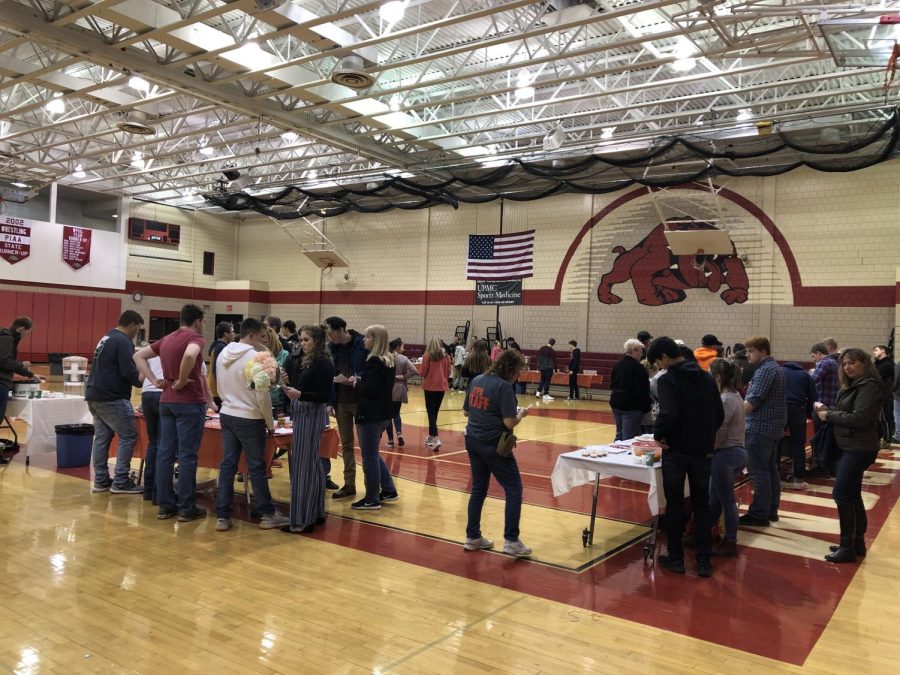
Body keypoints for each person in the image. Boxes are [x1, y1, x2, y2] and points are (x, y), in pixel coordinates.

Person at [648, 337, 723, 577]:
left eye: (657, 363)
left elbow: (668, 413)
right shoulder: (706, 377)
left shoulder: (669, 379)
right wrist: (705, 435)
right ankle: (703, 562)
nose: (659, 367)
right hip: (703, 451)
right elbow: (719, 414)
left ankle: (676, 558)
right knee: (701, 505)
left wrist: (659, 435)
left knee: (675, 505)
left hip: (677, 451)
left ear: (663, 358)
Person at [134, 304, 214, 522]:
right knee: (187, 456)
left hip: (166, 401)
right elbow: (190, 356)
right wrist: (180, 380)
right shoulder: (195, 339)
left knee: (165, 453)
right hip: (189, 402)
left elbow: (139, 356)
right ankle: (186, 507)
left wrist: (153, 380)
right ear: (198, 321)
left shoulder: (167, 339)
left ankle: (165, 505)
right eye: (204, 321)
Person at [213, 318, 290, 532]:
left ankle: (222, 516)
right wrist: (269, 423)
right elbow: (262, 396)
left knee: (228, 465)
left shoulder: (223, 354)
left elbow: (218, 384)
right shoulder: (258, 358)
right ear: (253, 335)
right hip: (250, 417)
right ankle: (267, 513)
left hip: (227, 413)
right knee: (256, 466)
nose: (265, 341)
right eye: (263, 336)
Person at [463, 349, 532, 558]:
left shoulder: (477, 379)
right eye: (519, 369)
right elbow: (509, 422)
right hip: (494, 443)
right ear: (510, 368)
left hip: (472, 440)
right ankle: (511, 540)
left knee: (478, 488)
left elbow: (467, 411)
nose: (519, 374)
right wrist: (521, 414)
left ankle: (472, 536)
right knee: (514, 489)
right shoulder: (504, 387)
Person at [816, 348, 883, 563]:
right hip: (852, 445)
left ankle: (847, 547)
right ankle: (855, 543)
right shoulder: (855, 385)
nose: (848, 367)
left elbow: (860, 418)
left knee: (842, 493)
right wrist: (831, 410)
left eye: (853, 363)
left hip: (859, 447)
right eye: (845, 364)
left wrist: (831, 415)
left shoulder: (869, 386)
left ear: (864, 363)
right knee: (852, 494)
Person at [280, 324, 334, 532]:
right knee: (311, 464)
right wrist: (288, 384)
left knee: (303, 466)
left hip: (310, 414)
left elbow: (321, 395)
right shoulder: (306, 360)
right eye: (301, 340)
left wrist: (299, 394)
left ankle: (301, 519)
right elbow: (302, 388)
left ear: (317, 341)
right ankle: (315, 512)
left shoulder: (322, 362)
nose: (302, 344)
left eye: (306, 340)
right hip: (303, 412)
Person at [85, 310, 145, 494]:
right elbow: (128, 371)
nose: (137, 334)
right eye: (138, 329)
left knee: (102, 437)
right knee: (128, 435)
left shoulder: (107, 337)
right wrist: (143, 378)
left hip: (95, 394)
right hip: (112, 397)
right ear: (133, 324)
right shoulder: (123, 341)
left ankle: (101, 480)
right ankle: (121, 481)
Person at [738, 336, 787, 527]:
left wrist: (730, 415)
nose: (748, 355)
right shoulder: (775, 368)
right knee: (770, 470)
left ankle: (759, 513)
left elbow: (751, 403)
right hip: (771, 428)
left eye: (751, 351)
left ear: (763, 352)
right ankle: (771, 509)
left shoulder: (765, 371)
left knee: (759, 472)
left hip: (760, 428)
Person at [351, 325, 398, 511]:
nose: (364, 340)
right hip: (384, 414)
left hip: (370, 415)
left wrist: (356, 383)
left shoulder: (374, 361)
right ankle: (388, 489)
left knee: (368, 457)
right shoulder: (389, 361)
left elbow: (369, 389)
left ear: (376, 340)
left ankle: (372, 498)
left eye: (368, 337)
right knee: (373, 454)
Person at [708, 358, 747, 557]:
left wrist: (709, 449)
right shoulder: (736, 396)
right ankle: (703, 532)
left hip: (726, 453)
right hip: (736, 451)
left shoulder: (725, 399)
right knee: (715, 498)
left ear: (718, 376)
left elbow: (720, 429)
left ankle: (730, 540)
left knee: (726, 500)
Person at [324, 316, 367, 499]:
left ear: (341, 330)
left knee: (366, 445)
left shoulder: (361, 343)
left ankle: (372, 487)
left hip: (360, 400)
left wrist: (358, 378)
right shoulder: (332, 348)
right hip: (341, 400)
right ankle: (349, 484)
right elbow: (330, 374)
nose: (329, 336)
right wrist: (329, 402)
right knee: (347, 444)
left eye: (331, 332)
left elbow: (367, 369)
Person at [780, 360, 816, 490]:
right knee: (798, 444)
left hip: (780, 409)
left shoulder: (780, 372)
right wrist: (807, 414)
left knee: (777, 443)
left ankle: (775, 477)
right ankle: (798, 479)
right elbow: (813, 398)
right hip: (798, 410)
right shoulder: (805, 375)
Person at [609, 338, 651, 441]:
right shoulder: (639, 368)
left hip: (616, 403)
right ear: (635, 350)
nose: (642, 355)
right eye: (641, 351)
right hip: (631, 406)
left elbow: (613, 384)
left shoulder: (617, 365)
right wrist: (646, 408)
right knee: (629, 437)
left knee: (619, 434)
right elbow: (643, 390)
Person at [810, 342, 840, 475]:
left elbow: (813, 380)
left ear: (818, 353)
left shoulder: (824, 363)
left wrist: (809, 374)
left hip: (823, 405)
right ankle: (828, 464)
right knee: (828, 437)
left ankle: (822, 466)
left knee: (821, 438)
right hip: (832, 404)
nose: (813, 359)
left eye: (813, 356)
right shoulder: (834, 363)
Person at [0, 317, 35, 427]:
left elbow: (9, 362)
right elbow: (4, 362)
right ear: (22, 329)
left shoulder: (8, 338)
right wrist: (21, 364)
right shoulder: (7, 339)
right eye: (28, 333)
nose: (27, 337)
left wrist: (31, 375)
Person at [385, 338, 418, 449]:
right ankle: (399, 433)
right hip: (399, 388)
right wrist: (404, 376)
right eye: (403, 346)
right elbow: (414, 370)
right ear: (398, 347)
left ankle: (390, 441)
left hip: (388, 388)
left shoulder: (386, 357)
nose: (404, 349)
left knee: (388, 415)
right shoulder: (403, 358)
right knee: (396, 413)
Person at [140, 356, 165, 504]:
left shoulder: (153, 351)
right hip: (162, 392)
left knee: (153, 442)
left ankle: (148, 490)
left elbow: (140, 377)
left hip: (146, 393)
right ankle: (158, 493)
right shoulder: (179, 347)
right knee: (163, 444)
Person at [420, 336, 451, 450]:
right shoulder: (446, 356)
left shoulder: (427, 355)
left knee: (430, 412)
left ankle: (435, 437)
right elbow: (448, 373)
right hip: (441, 387)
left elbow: (423, 372)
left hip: (430, 386)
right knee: (435, 412)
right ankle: (431, 436)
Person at [206, 321, 234, 410]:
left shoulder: (218, 345)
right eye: (232, 331)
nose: (234, 334)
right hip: (217, 390)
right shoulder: (221, 347)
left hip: (217, 389)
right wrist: (223, 388)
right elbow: (217, 369)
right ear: (226, 334)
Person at [873, 345, 895, 446]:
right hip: (877, 394)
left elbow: (882, 380)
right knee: (879, 418)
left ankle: (886, 439)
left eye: (876, 350)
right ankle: (880, 438)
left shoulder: (887, 364)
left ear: (883, 351)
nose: (874, 352)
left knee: (885, 418)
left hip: (884, 395)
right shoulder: (877, 363)